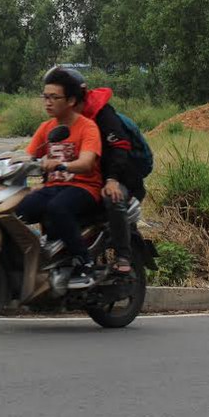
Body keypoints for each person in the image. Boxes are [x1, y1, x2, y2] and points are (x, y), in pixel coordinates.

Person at [16, 67, 103, 288]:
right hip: (55, 187)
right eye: (45, 97)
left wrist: (62, 164)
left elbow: (87, 163)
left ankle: (85, 264)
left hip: (84, 187)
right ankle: (36, 257)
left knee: (57, 208)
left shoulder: (87, 127)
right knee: (17, 211)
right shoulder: (47, 127)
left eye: (54, 97)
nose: (48, 102)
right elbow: (26, 156)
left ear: (72, 100)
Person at [71, 70, 146, 274]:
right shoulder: (66, 118)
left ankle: (123, 254)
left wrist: (112, 179)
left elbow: (120, 148)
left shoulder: (103, 114)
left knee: (112, 197)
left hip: (121, 178)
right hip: (89, 179)